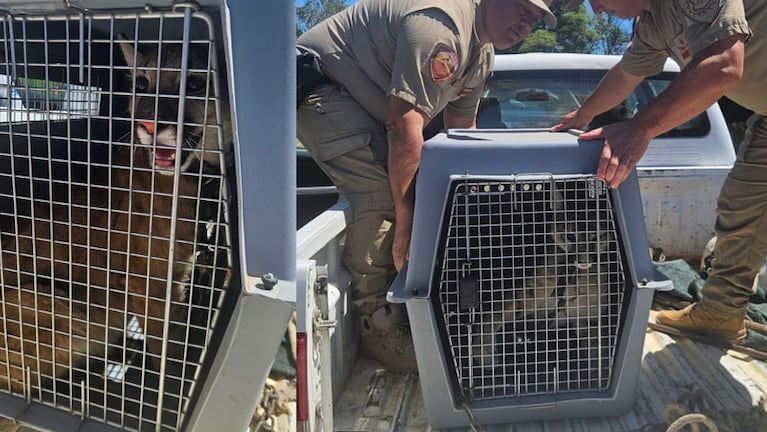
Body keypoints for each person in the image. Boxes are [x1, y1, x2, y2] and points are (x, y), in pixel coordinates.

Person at [296, 0, 556, 369]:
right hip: (320, 84)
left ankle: (422, 301)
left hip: (367, 102)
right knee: (381, 194)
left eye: (535, 20)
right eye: (521, 10)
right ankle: (378, 327)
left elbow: (461, 132)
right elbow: (404, 121)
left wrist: (472, 197)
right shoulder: (441, 27)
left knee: (437, 189)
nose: (526, 24)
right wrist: (409, 225)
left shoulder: (481, 56)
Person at [552, 0, 767, 346]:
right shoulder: (652, 22)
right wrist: (582, 116)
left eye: (597, 0)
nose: (598, 12)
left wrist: (641, 128)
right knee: (741, 207)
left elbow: (724, 67)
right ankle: (720, 315)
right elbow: (626, 73)